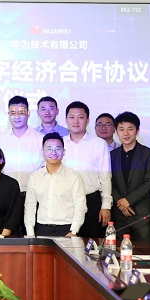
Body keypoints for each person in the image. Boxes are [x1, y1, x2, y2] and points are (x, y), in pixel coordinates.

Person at [62, 101, 112, 238]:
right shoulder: (60, 144)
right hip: (65, 202)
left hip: (91, 201)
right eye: (71, 117)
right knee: (66, 245)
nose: (76, 121)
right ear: (66, 120)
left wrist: (106, 205)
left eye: (81, 117)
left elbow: (105, 177)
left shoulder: (99, 144)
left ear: (88, 120)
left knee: (92, 244)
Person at [24, 133, 87, 237]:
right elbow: (30, 206)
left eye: (58, 149)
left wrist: (74, 231)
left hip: (67, 229)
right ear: (42, 152)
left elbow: (80, 206)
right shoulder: (35, 177)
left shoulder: (74, 176)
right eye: (48, 149)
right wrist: (30, 234)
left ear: (64, 152)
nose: (53, 152)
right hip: (41, 229)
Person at [109, 112, 150, 243]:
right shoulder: (112, 155)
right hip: (120, 214)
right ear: (116, 131)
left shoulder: (148, 154)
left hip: (141, 214)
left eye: (130, 129)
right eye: (121, 129)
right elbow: (109, 182)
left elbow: (149, 182)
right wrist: (121, 203)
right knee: (119, 253)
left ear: (137, 130)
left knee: (144, 253)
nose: (126, 133)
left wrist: (128, 201)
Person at [0, 95, 43, 192]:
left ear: (28, 113)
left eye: (21, 112)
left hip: (34, 191)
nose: (16, 116)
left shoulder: (40, 139)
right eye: (13, 113)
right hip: (6, 192)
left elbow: (44, 167)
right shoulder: (1, 139)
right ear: (9, 114)